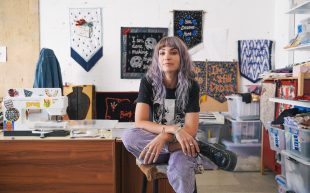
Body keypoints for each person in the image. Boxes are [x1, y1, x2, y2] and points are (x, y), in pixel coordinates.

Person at [122, 36, 237, 193]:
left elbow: (190, 129)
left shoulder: (191, 86)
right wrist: (172, 131)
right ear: (157, 58)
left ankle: (193, 149)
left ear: (182, 57)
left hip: (182, 147)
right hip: (157, 147)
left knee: (179, 172)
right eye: (162, 53)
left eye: (173, 52)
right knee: (129, 136)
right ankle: (200, 148)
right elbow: (140, 122)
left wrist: (165, 136)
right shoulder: (148, 82)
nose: (167, 56)